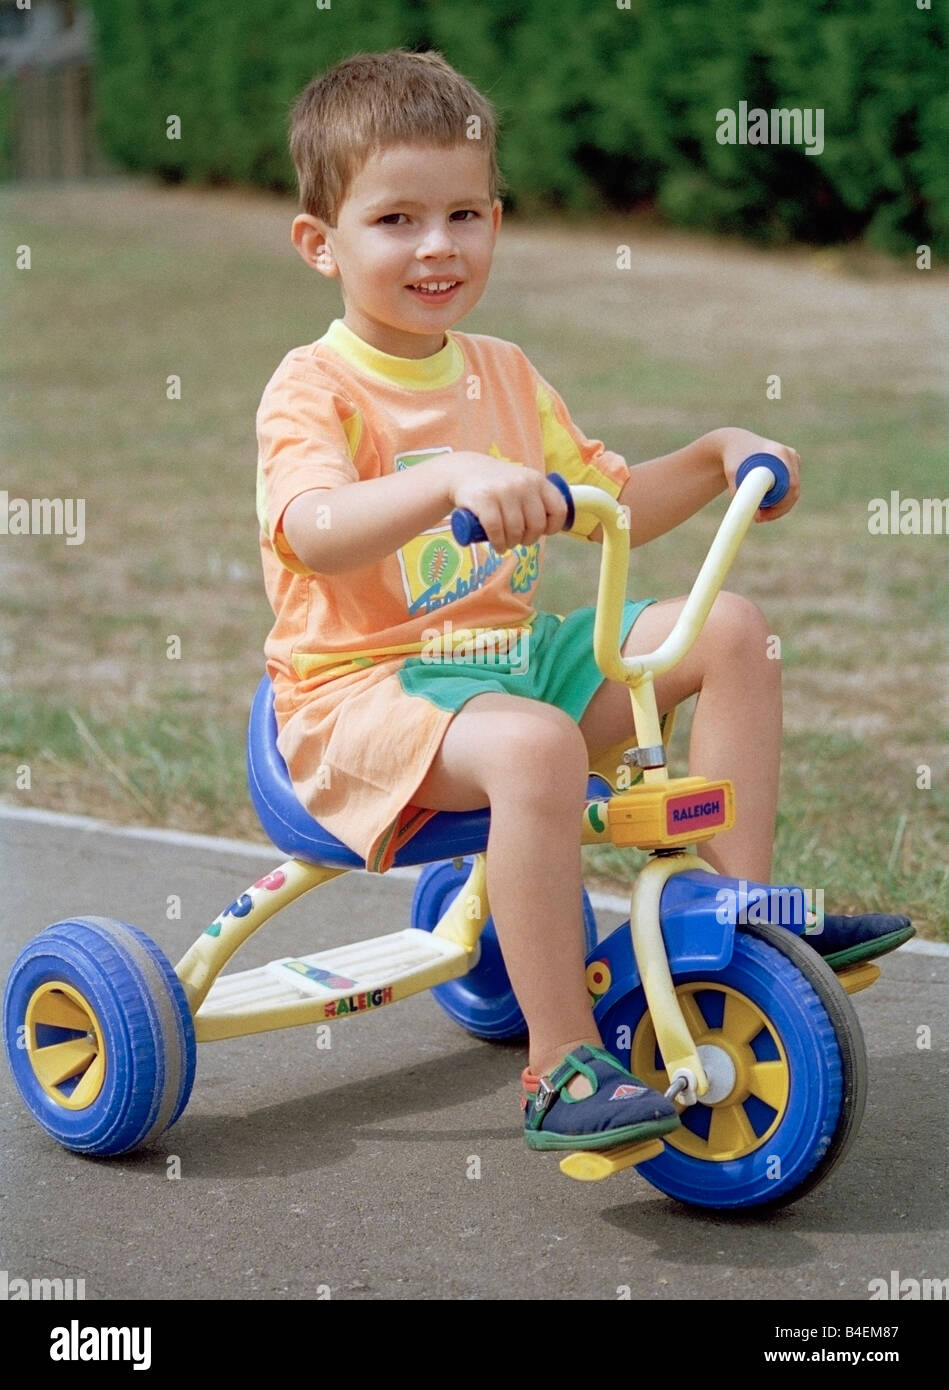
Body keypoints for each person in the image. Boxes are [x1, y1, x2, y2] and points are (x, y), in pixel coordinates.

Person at [256, 50, 913, 1153]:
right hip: (356, 693)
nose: (436, 245)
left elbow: (611, 502)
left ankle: (738, 915)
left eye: (464, 213)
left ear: (497, 224)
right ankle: (560, 1063)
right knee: (537, 749)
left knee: (730, 628)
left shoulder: (504, 373)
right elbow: (309, 529)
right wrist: (443, 482)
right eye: (396, 219)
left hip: (508, 665)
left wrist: (713, 455)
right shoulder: (313, 388)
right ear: (320, 243)